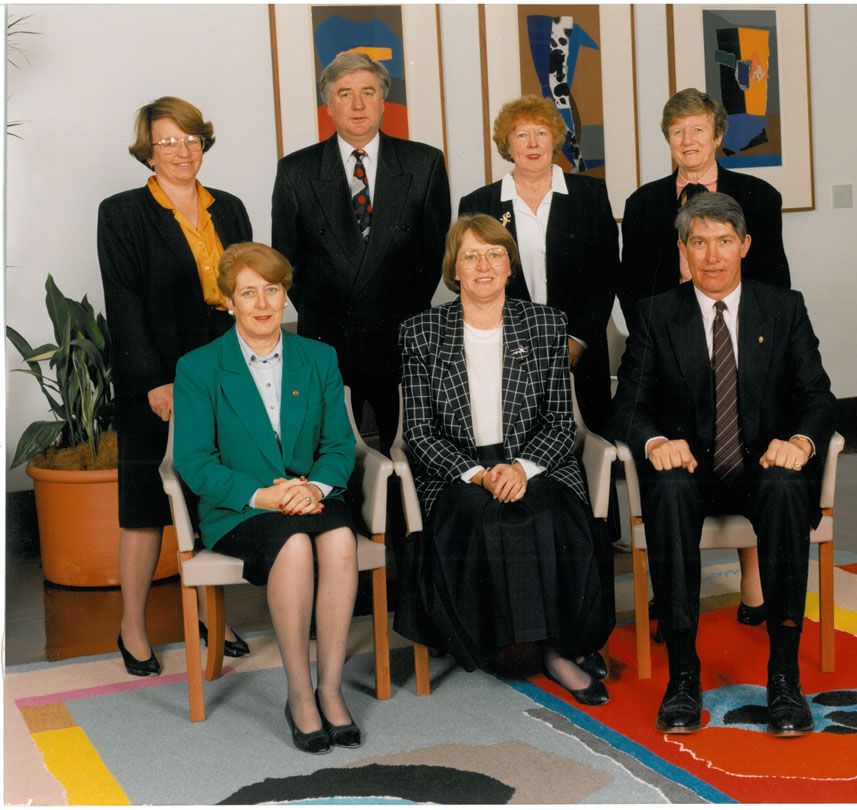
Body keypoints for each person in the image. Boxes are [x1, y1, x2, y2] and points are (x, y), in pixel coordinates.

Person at [610, 192, 834, 736]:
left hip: (762, 468)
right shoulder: (657, 314)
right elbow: (627, 408)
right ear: (683, 251)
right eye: (699, 243)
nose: (712, 256)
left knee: (785, 488)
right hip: (692, 474)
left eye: (725, 242)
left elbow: (819, 397)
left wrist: (802, 443)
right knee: (666, 487)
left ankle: (783, 677)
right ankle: (683, 676)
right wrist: (656, 439)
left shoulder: (784, 307)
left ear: (745, 246)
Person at [396, 214, 614, 706]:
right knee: (485, 519)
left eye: (494, 254)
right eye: (470, 256)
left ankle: (557, 650)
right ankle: (502, 640)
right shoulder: (422, 332)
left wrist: (521, 469)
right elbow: (418, 432)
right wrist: (478, 473)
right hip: (456, 468)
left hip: (536, 461)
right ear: (454, 269)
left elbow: (562, 423)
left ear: (511, 265)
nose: (484, 266)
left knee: (546, 514)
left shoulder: (544, 324)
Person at [173, 243, 360, 754]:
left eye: (271, 290)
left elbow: (340, 444)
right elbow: (194, 462)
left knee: (341, 539)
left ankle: (331, 688)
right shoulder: (198, 367)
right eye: (247, 292)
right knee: (295, 546)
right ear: (229, 302)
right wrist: (264, 496)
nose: (261, 303)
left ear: (285, 296)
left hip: (311, 494)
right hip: (239, 507)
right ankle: (300, 695)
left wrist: (312, 487)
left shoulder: (319, 357)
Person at [619, 87, 792, 625]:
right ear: (667, 140)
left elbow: (775, 281)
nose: (688, 141)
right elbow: (632, 285)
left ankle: (754, 581)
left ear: (717, 136)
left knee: (746, 439)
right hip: (671, 340)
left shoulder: (757, 197)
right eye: (677, 132)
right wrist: (661, 333)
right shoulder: (644, 203)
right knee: (681, 452)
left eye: (698, 130)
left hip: (741, 339)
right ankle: (673, 591)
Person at [98, 96, 252, 678]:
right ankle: (131, 626)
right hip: (157, 374)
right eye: (168, 142)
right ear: (148, 150)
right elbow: (125, 301)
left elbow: (248, 286)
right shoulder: (122, 212)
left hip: (225, 369)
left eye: (191, 139)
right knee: (144, 506)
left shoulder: (230, 208)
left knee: (215, 494)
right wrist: (152, 382)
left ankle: (218, 615)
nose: (182, 151)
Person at [272, 52, 451, 452]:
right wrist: (327, 313)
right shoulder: (295, 171)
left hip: (402, 335)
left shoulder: (424, 163)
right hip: (328, 337)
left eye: (367, 92)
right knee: (332, 454)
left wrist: (394, 313)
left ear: (383, 100)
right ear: (328, 104)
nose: (357, 105)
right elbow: (286, 264)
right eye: (344, 94)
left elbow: (434, 255)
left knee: (408, 450)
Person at [458, 95, 619, 433]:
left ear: (554, 140)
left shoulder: (590, 194)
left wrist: (577, 341)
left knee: (589, 453)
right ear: (507, 144)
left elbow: (605, 276)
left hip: (581, 354)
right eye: (521, 134)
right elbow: (471, 281)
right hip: (507, 355)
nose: (532, 143)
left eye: (541, 133)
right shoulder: (479, 203)